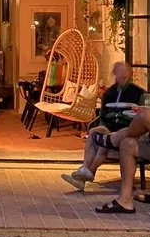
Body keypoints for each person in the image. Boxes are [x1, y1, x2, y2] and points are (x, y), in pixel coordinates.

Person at [61, 62, 144, 191]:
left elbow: (140, 114)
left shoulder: (137, 93)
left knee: (102, 146)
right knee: (94, 133)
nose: (121, 75)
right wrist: (105, 124)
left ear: (129, 73)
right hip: (108, 128)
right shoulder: (109, 93)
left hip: (126, 129)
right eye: (118, 72)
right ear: (115, 73)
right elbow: (103, 116)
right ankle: (85, 173)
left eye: (124, 72)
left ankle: (84, 178)